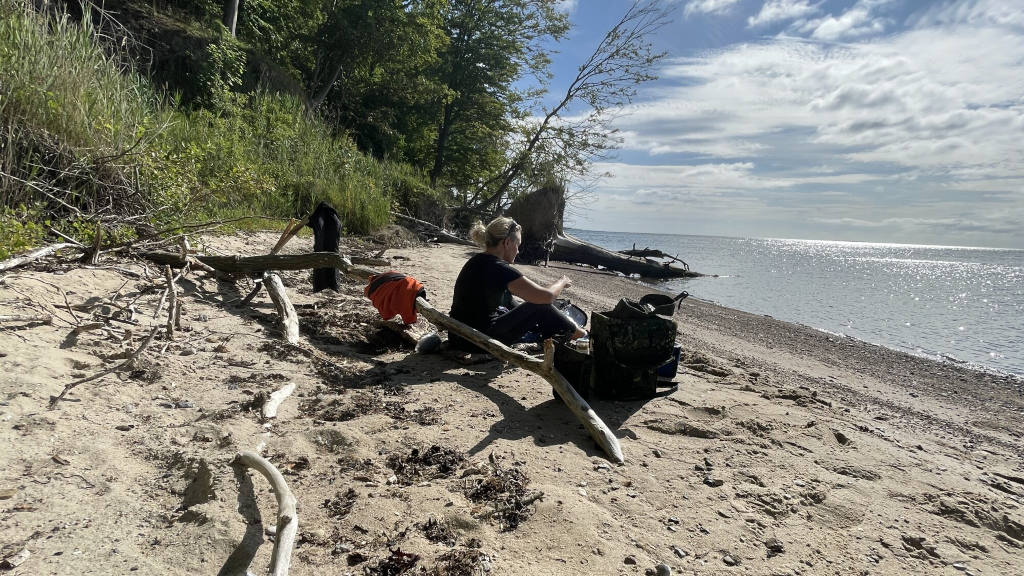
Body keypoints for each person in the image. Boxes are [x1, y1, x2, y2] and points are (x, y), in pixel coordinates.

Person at [448, 216, 587, 353]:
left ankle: (575, 334)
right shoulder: (498, 268)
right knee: (541, 306)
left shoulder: (476, 261)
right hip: (481, 341)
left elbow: (511, 303)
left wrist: (530, 320)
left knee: (529, 305)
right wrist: (561, 282)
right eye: (518, 245)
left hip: (459, 337)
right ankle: (583, 336)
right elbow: (546, 296)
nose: (518, 251)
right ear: (507, 242)